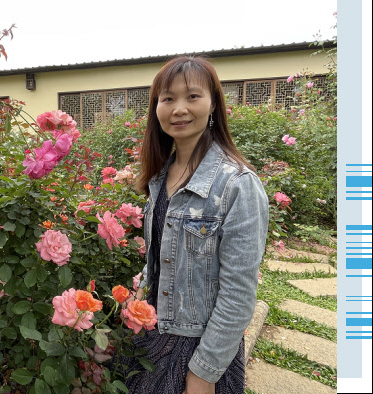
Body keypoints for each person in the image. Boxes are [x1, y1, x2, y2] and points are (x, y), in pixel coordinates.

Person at [123, 56, 269, 393]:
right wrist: (141, 293)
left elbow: (238, 293)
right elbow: (160, 254)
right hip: (152, 338)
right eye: (168, 98)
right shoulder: (161, 175)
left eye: (192, 96)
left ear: (213, 103)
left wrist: (204, 372)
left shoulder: (237, 185)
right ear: (155, 108)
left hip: (198, 347)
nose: (179, 109)